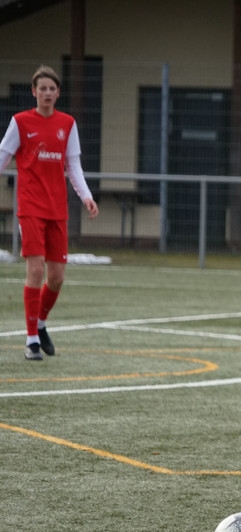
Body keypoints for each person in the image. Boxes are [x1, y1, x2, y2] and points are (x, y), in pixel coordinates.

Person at [0, 65, 99, 360]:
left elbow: (73, 165)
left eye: (51, 89)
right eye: (42, 88)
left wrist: (86, 196)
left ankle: (40, 322)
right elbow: (3, 156)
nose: (47, 93)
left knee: (56, 277)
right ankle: (31, 340)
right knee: (35, 268)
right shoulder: (20, 122)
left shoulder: (67, 124)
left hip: (57, 208)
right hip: (30, 206)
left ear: (58, 93)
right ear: (34, 92)